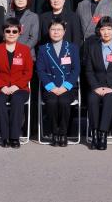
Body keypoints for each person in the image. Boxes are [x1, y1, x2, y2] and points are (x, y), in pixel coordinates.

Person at [83, 17, 112, 150]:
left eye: (109, 29)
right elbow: (89, 71)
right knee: (92, 98)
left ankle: (103, 135)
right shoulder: (92, 48)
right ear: (99, 31)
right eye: (103, 29)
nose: (106, 32)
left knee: (109, 97)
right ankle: (94, 134)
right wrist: (96, 87)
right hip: (97, 87)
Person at [0, 18, 33, 148]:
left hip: (20, 88)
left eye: (14, 31)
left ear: (19, 32)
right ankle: (4, 136)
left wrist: (16, 86)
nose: (11, 34)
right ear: (3, 33)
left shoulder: (25, 50)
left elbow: (28, 72)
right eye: (8, 31)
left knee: (17, 101)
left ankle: (14, 137)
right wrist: (1, 86)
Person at [36, 19, 80, 147]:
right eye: (53, 29)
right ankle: (55, 132)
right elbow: (40, 70)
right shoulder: (43, 49)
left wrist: (66, 86)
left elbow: (76, 69)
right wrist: (51, 87)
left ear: (64, 31)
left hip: (67, 86)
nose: (56, 32)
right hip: (51, 86)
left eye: (59, 29)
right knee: (51, 102)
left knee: (64, 102)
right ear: (49, 31)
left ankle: (63, 133)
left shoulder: (72, 48)